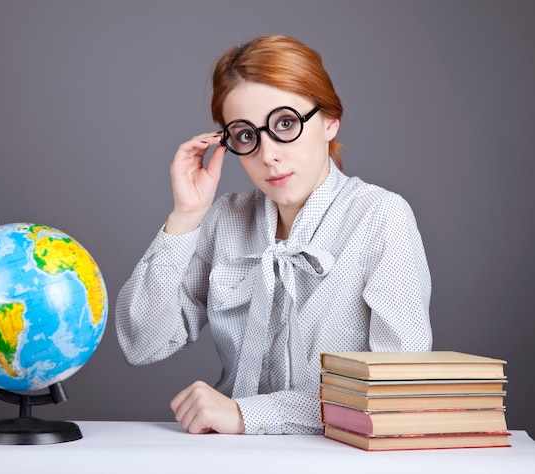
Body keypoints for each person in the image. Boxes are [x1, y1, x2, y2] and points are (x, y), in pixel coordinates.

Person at [115, 34, 432, 436]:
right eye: (247, 135)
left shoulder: (379, 216)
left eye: (286, 123)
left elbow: (397, 388)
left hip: (341, 456)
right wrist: (185, 217)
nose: (268, 155)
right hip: (229, 454)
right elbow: (142, 343)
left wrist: (249, 415)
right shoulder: (225, 219)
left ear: (330, 120)